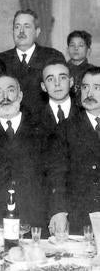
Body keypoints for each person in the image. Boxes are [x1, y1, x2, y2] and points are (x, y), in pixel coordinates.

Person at [0, 76, 66, 235]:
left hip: (35, 219)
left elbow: (56, 173)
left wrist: (58, 210)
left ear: (20, 96)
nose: (4, 97)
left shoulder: (43, 130)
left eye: (10, 91)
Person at [52, 67, 100, 234]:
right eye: (85, 87)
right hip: (79, 216)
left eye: (97, 87)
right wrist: (59, 211)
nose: (89, 93)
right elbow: (56, 173)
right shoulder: (66, 128)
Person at [0, 9, 65, 115]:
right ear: (12, 32)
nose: (21, 31)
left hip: (45, 123)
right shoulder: (0, 60)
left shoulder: (52, 57)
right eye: (17, 27)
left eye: (27, 26)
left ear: (37, 32)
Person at [38, 61, 79, 134]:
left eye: (62, 78)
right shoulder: (34, 118)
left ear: (71, 82)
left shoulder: (84, 111)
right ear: (43, 86)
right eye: (50, 79)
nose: (57, 83)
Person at [66, 30, 95, 98]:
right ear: (67, 50)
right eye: (72, 45)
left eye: (81, 45)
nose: (76, 48)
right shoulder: (61, 69)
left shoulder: (94, 72)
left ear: (88, 51)